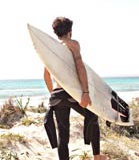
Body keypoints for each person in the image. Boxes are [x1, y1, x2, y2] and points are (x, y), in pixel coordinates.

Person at [43, 17, 109, 160]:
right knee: (92, 116)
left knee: (63, 134)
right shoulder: (72, 44)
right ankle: (97, 156)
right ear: (69, 31)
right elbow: (80, 67)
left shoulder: (51, 48)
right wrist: (85, 92)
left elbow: (46, 75)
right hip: (72, 93)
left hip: (57, 95)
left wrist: (53, 93)